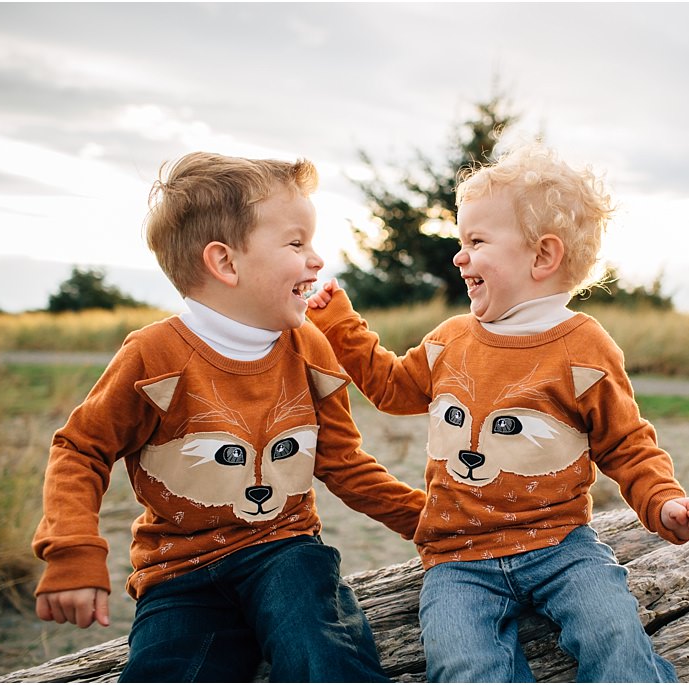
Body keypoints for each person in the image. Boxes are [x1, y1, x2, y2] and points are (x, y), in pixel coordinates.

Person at [306, 143, 689, 682]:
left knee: (613, 633)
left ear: (542, 257)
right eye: (461, 241)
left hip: (562, 545)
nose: (459, 256)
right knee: (463, 664)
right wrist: (339, 323)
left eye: (476, 241)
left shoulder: (583, 347)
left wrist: (662, 502)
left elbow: (625, 443)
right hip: (459, 558)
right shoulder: (450, 339)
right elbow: (390, 387)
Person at [32, 151, 426, 682]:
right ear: (225, 263)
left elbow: (344, 463)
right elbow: (82, 448)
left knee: (325, 650)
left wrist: (433, 522)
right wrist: (73, 552)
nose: (316, 260)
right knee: (169, 669)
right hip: (177, 572)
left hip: (283, 550)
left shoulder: (309, 348)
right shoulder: (154, 356)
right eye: (296, 243)